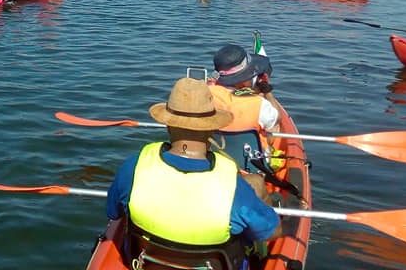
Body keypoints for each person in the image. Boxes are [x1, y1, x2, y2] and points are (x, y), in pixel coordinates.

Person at [105, 77, 281, 268]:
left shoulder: (133, 167)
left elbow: (114, 213)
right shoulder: (233, 187)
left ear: (168, 124)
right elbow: (272, 232)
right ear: (212, 128)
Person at [208, 44, 286, 175]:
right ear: (244, 80)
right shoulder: (259, 104)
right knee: (274, 126)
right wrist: (267, 91)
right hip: (250, 168)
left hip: (215, 161)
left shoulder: (205, 93)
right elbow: (278, 118)